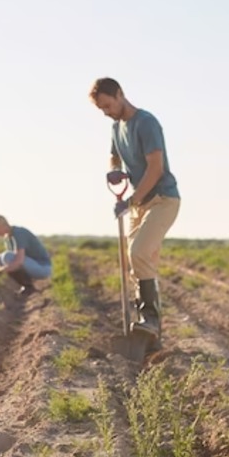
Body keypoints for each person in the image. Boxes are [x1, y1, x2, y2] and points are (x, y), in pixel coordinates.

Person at [89, 77, 180, 339]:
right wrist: (115, 170)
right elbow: (114, 155)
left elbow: (156, 168)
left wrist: (130, 200)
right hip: (140, 203)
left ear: (120, 94)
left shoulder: (146, 122)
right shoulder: (117, 127)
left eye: (108, 105)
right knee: (139, 262)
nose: (106, 112)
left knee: (138, 251)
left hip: (163, 199)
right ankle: (151, 333)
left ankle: (149, 318)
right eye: (102, 109)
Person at [0, 215, 52, 297]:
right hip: (32, 265)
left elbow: (19, 261)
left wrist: (0, 272)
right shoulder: (8, 237)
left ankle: (28, 287)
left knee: (7, 256)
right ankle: (25, 285)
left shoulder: (19, 233)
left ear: (2, 225)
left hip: (43, 268)